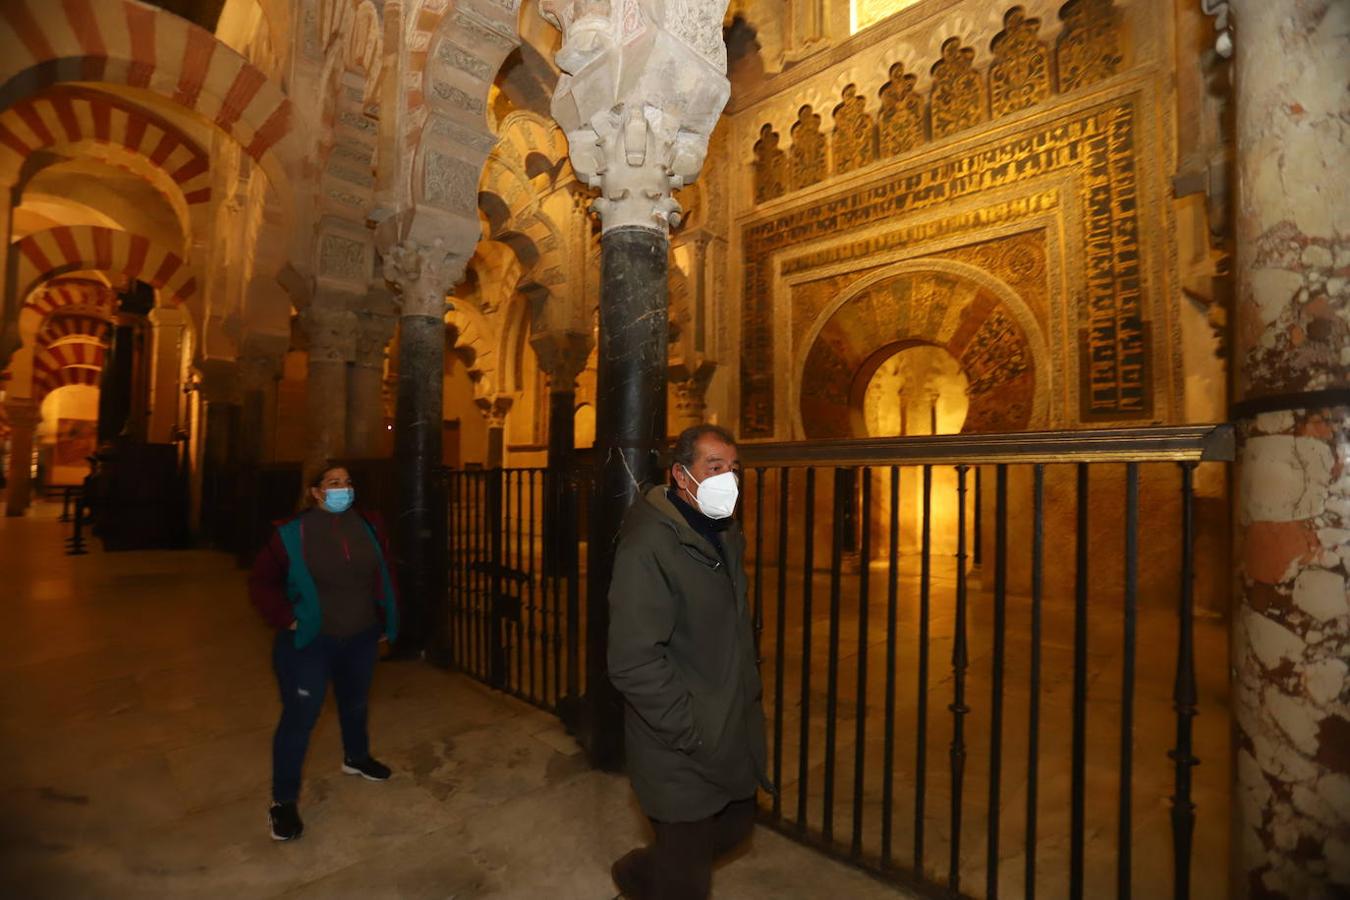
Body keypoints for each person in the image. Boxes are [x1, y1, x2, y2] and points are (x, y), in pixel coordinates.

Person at [607, 424, 770, 900]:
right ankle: (647, 875)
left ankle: (641, 873)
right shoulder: (649, 546)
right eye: (714, 467)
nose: (729, 479)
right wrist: (690, 730)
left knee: (737, 826)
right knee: (687, 880)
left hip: (725, 722)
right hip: (677, 741)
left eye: (734, 468)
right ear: (681, 476)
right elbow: (634, 661)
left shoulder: (723, 534)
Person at [248, 463, 400, 841]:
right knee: (301, 717)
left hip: (362, 635)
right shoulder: (291, 534)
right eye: (333, 483)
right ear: (316, 492)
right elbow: (262, 582)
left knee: (355, 702)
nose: (343, 489)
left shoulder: (368, 524)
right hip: (311, 642)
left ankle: (356, 757)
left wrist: (384, 619)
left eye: (348, 482)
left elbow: (383, 573)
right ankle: (283, 803)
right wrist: (286, 617)